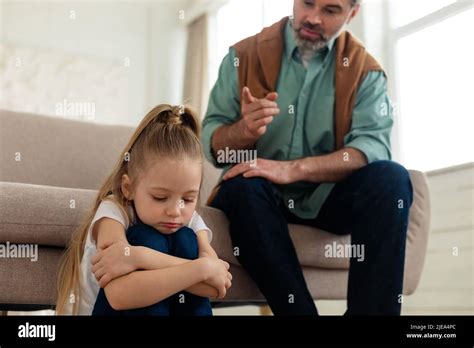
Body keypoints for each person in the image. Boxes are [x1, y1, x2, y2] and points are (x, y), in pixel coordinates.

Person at [201, 0, 413, 315]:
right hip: (257, 197)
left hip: (327, 198)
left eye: (330, 10)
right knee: (240, 186)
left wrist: (294, 169)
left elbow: (372, 147)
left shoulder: (365, 71)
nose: (312, 18)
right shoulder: (241, 57)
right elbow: (213, 145)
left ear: (352, 14)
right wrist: (242, 131)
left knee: (392, 179)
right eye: (307, 3)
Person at [56, 104, 232, 315]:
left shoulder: (189, 221)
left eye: (188, 198)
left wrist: (139, 257)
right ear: (128, 188)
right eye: (160, 197)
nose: (175, 211)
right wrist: (200, 269)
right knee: (148, 238)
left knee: (186, 239)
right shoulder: (113, 212)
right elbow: (119, 296)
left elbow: (215, 285)